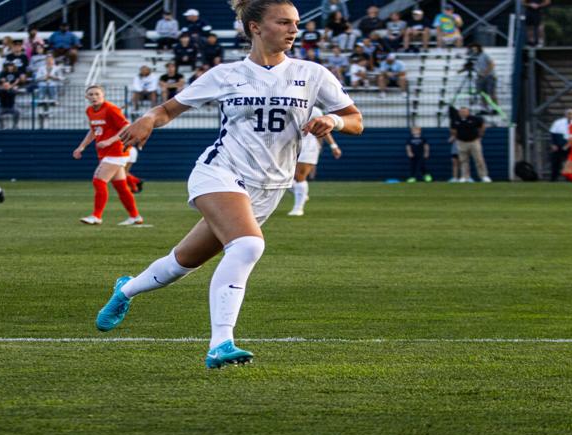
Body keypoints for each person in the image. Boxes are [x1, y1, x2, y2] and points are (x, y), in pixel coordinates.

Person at [93, 0, 362, 369]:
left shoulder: (312, 74)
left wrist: (334, 120)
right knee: (249, 245)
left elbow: (355, 120)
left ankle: (125, 289)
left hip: (269, 188)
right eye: (284, 22)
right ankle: (221, 343)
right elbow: (168, 109)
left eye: (296, 23)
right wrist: (148, 118)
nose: (294, 30)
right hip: (220, 172)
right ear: (255, 27)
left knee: (181, 263)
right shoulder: (225, 74)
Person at [73, 85, 143, 225]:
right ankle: (135, 216)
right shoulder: (90, 111)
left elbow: (126, 126)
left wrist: (110, 140)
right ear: (86, 97)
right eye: (91, 94)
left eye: (97, 94)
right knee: (121, 186)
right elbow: (93, 131)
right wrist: (81, 147)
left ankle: (96, 216)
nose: (94, 97)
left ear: (103, 95)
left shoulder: (111, 109)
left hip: (117, 151)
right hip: (106, 153)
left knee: (98, 181)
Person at [288, 128, 341, 215]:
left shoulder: (314, 113)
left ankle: (298, 209)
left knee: (299, 176)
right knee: (281, 176)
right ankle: (301, 193)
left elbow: (324, 129)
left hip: (308, 147)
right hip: (290, 145)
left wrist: (334, 146)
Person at [449, 105, 489, 182]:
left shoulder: (474, 119)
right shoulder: (456, 120)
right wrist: (455, 136)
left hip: (474, 141)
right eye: (461, 111)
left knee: (479, 159)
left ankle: (483, 176)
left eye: (464, 111)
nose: (463, 113)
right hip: (461, 142)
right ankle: (464, 176)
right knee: (463, 160)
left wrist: (480, 135)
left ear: (468, 112)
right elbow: (453, 129)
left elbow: (482, 126)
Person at [547, 111, 568, 181]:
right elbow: (552, 133)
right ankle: (554, 179)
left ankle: (570, 178)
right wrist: (553, 144)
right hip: (559, 144)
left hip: (570, 144)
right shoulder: (558, 122)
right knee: (556, 162)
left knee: (570, 163)